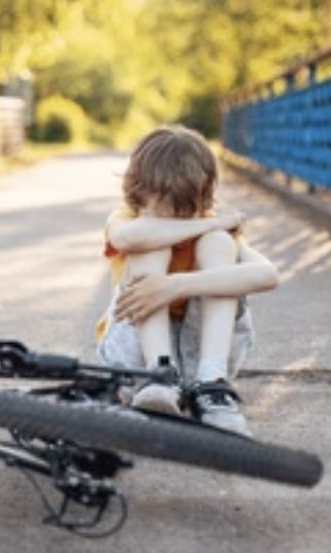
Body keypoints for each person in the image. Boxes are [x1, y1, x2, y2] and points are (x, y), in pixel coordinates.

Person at [95, 125, 279, 437]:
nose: (172, 218)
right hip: (136, 348)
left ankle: (212, 385)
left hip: (204, 353)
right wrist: (214, 222)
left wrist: (175, 285)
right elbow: (127, 238)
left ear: (201, 199)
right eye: (162, 209)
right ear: (138, 191)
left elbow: (267, 275)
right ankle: (159, 376)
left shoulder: (212, 226)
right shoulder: (128, 217)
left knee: (219, 244)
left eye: (183, 212)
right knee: (150, 247)